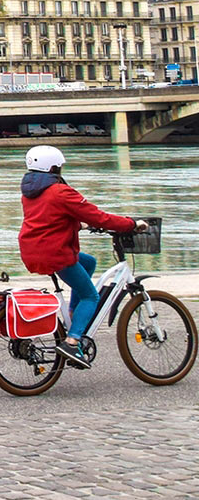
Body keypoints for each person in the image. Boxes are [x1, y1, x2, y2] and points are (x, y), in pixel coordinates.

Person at [18, 146, 148, 367]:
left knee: (88, 262)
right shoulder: (61, 192)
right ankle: (72, 341)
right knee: (91, 297)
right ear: (53, 167)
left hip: (33, 249)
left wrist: (79, 224)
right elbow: (100, 217)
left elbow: (49, 218)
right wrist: (131, 224)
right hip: (55, 253)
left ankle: (73, 313)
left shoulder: (31, 192)